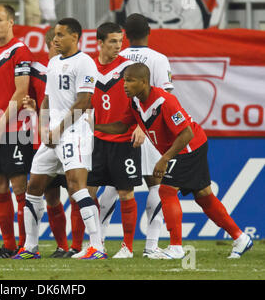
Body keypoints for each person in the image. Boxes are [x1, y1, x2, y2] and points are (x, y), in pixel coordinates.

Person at [94, 62, 253, 259]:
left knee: (166, 190)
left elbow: (185, 133)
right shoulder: (135, 102)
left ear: (144, 82)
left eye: (130, 80)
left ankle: (176, 247)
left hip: (189, 145)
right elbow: (122, 126)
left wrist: (165, 159)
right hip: (183, 147)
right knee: (203, 196)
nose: (124, 85)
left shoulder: (165, 101)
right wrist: (96, 126)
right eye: (124, 80)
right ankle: (240, 237)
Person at [13, 17, 107, 260]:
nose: (55, 38)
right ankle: (30, 248)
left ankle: (97, 247)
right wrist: (44, 127)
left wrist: (59, 129)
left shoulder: (85, 62)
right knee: (32, 188)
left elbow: (84, 101)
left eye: (61, 34)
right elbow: (46, 99)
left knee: (77, 187)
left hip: (74, 133)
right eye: (55, 34)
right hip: (51, 135)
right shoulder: (53, 62)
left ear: (75, 37)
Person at [106, 12, 173, 257]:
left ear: (125, 34)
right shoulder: (159, 58)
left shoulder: (117, 57)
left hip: (120, 130)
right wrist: (143, 126)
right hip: (149, 129)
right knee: (156, 184)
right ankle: (151, 245)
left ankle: (98, 243)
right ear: (149, 32)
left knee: (114, 188)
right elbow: (164, 98)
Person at [0, 4, 34, 258]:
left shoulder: (21, 51)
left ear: (11, 22)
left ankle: (25, 245)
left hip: (16, 129)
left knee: (19, 186)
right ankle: (9, 244)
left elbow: (21, 90)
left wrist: (0, 124)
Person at [85, 22, 142, 258]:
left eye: (120, 41)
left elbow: (145, 99)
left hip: (124, 140)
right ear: (99, 42)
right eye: (112, 41)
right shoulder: (88, 67)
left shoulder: (130, 68)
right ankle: (95, 244)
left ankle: (127, 247)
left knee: (125, 193)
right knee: (87, 192)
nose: (118, 46)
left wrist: (141, 126)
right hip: (96, 140)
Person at [26, 27, 69, 258]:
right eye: (56, 40)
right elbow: (36, 99)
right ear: (49, 44)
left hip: (72, 137)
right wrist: (32, 106)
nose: (59, 43)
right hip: (45, 140)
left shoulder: (76, 65)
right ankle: (61, 246)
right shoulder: (37, 70)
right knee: (50, 196)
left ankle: (79, 246)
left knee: (77, 191)